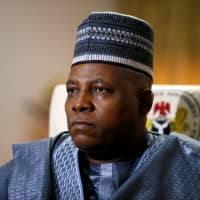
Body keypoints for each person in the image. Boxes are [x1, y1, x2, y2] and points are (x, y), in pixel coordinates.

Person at [0, 11, 200, 200]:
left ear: (144, 102)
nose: (79, 104)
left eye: (100, 89)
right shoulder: (25, 173)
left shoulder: (191, 167)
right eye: (72, 90)